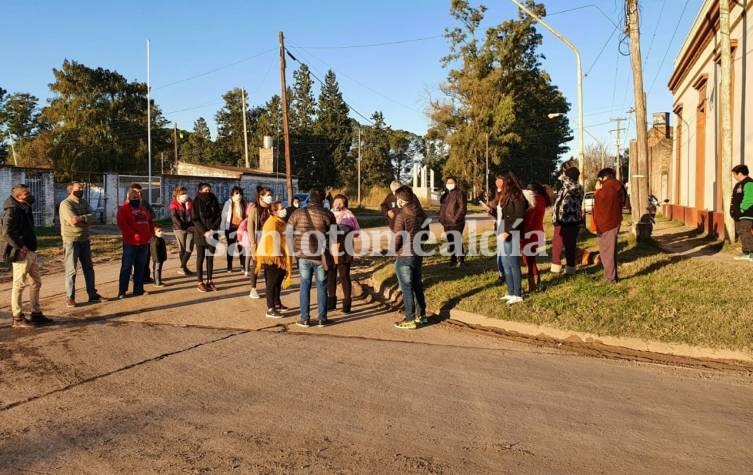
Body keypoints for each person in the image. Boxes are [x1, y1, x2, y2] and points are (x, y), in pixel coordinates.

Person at [1, 184, 52, 328]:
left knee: (36, 282)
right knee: (19, 285)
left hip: (30, 251)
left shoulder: (25, 207)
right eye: (26, 193)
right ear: (18, 197)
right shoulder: (11, 210)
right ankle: (17, 317)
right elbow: (6, 233)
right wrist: (20, 246)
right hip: (20, 253)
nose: (30, 195)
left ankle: (36, 314)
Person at [288, 188, 336, 327]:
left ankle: (305, 318)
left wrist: (293, 251)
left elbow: (288, 232)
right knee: (322, 286)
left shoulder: (298, 212)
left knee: (305, 285)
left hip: (302, 255)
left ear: (309, 198)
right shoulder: (328, 214)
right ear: (322, 200)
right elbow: (333, 237)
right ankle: (322, 318)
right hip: (320, 256)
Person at [59, 181, 101, 307]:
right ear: (71, 190)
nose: (81, 190)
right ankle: (70, 297)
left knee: (89, 268)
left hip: (85, 239)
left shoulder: (84, 202)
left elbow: (95, 216)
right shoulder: (66, 204)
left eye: (82, 188)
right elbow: (73, 221)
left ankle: (92, 294)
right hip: (71, 240)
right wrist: (85, 220)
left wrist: (82, 219)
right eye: (79, 188)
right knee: (71, 270)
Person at [392, 186, 429, 329]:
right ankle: (422, 315)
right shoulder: (422, 214)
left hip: (405, 255)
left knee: (407, 288)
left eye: (397, 199)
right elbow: (426, 234)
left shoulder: (402, 215)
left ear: (401, 200)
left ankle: (409, 318)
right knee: (417, 285)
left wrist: (394, 250)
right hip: (418, 253)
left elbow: (397, 238)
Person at [254, 201, 293, 318]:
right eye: (281, 208)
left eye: (284, 208)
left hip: (280, 257)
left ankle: (277, 303)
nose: (284, 210)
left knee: (277, 282)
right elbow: (270, 242)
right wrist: (276, 257)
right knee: (271, 284)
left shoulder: (280, 222)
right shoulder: (271, 223)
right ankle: (270, 308)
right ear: (273, 211)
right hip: (271, 257)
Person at [495, 173, 528, 305]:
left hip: (512, 235)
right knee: (506, 264)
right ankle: (510, 291)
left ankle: (518, 293)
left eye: (501, 181)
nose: (499, 184)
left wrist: (508, 232)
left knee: (513, 264)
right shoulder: (505, 196)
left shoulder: (517, 195)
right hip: (502, 233)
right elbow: (502, 216)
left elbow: (519, 217)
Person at [116, 188, 154, 299]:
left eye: (137, 197)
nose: (136, 199)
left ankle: (138, 289)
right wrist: (134, 235)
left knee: (140, 267)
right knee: (126, 267)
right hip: (130, 243)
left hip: (144, 243)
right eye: (133, 197)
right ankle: (122, 291)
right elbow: (122, 224)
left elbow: (150, 222)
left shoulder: (143, 209)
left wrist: (151, 235)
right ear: (128, 198)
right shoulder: (123, 209)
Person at [327, 194, 361, 313]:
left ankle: (347, 303)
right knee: (331, 275)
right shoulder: (328, 213)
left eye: (341, 203)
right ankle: (331, 301)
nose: (338, 205)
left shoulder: (349, 214)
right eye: (336, 202)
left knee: (344, 275)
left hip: (345, 248)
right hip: (331, 247)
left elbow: (357, 232)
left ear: (345, 204)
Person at [593, 168, 625, 283]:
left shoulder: (608, 187)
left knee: (607, 252)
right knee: (610, 251)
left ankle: (611, 278)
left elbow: (601, 202)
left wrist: (597, 191)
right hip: (614, 222)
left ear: (604, 177)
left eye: (600, 179)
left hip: (607, 224)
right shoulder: (617, 185)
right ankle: (612, 276)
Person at [551, 167, 583, 275]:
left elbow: (568, 183)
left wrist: (563, 177)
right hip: (561, 221)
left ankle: (570, 268)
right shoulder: (564, 188)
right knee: (557, 243)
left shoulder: (575, 187)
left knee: (570, 245)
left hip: (571, 221)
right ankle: (556, 265)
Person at [245, 186, 274, 298]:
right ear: (261, 196)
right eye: (268, 195)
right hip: (258, 239)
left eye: (270, 195)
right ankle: (253, 289)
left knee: (268, 264)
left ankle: (269, 287)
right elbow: (250, 226)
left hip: (270, 239)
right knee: (256, 264)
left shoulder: (271, 209)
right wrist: (252, 242)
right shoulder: (254, 209)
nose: (270, 197)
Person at [193, 183, 222, 292]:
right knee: (200, 258)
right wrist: (204, 232)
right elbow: (195, 219)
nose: (207, 192)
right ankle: (200, 282)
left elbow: (218, 216)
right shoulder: (196, 201)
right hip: (200, 234)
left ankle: (210, 281)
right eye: (205, 190)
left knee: (210, 258)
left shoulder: (214, 199)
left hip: (212, 233)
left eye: (209, 190)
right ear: (200, 190)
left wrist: (212, 230)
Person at [521, 182, 550, 292]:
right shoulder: (541, 199)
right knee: (530, 259)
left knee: (529, 260)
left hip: (529, 232)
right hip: (537, 231)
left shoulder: (533, 200)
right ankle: (535, 281)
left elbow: (528, 217)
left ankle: (533, 283)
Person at [128, 183, 155, 284]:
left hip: (146, 234)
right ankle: (134, 276)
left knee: (146, 256)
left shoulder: (145, 203)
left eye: (140, 192)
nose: (139, 194)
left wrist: (145, 215)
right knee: (135, 258)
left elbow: (152, 214)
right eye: (136, 192)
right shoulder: (128, 204)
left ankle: (146, 276)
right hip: (134, 236)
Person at [438, 176, 467, 268]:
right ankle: (453, 259)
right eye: (448, 183)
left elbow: (462, 208)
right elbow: (442, 207)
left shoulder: (460, 193)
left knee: (457, 240)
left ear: (455, 183)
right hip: (446, 222)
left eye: (451, 182)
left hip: (457, 222)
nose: (449, 184)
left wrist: (455, 219)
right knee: (451, 241)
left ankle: (460, 259)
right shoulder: (445, 194)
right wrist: (441, 218)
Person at [481, 175, 506, 281]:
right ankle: (501, 273)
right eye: (496, 181)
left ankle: (505, 273)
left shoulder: (508, 195)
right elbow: (496, 211)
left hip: (506, 227)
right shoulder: (498, 194)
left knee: (504, 252)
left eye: (499, 181)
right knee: (500, 252)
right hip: (499, 226)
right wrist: (489, 210)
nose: (497, 183)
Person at [168, 186, 195, 275]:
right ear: (177, 195)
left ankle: (182, 267)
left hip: (191, 228)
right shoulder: (173, 204)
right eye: (182, 193)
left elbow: (193, 215)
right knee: (182, 249)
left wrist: (192, 225)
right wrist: (185, 227)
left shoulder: (189, 201)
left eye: (186, 193)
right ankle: (184, 268)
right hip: (179, 229)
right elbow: (175, 218)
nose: (185, 195)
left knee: (189, 248)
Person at [220, 186, 247, 273]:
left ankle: (242, 265)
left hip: (241, 228)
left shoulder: (243, 203)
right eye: (236, 193)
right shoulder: (228, 203)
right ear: (232, 194)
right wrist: (222, 230)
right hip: (231, 228)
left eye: (240, 193)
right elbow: (223, 217)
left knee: (241, 247)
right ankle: (229, 266)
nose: (238, 195)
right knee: (231, 247)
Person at [731, 164, 753, 261]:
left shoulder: (749, 183)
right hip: (739, 215)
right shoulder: (739, 184)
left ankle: (751, 253)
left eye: (735, 175)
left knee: (745, 231)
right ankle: (746, 252)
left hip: (746, 214)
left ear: (739, 173)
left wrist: (741, 209)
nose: (734, 177)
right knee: (741, 232)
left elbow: (749, 199)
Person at [150, 223, 168, 287]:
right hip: (157, 259)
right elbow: (154, 251)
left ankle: (159, 281)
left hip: (161, 258)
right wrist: (157, 259)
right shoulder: (154, 240)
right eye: (159, 231)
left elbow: (163, 249)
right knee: (157, 270)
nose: (161, 232)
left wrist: (164, 257)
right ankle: (157, 282)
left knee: (159, 270)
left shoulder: (161, 239)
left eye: (162, 230)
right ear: (154, 232)